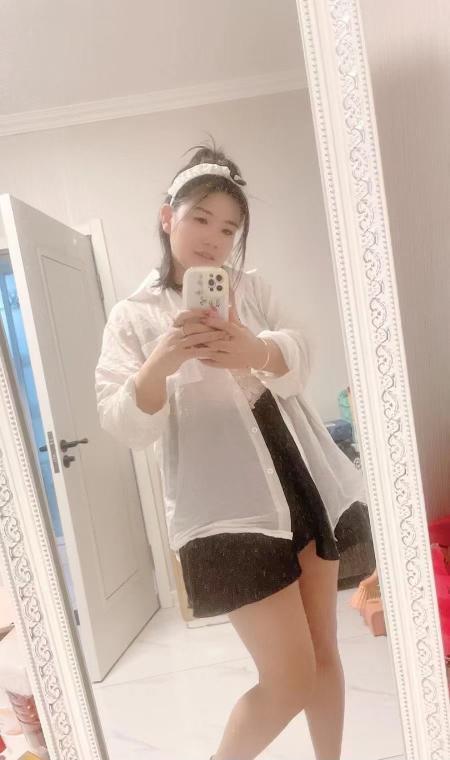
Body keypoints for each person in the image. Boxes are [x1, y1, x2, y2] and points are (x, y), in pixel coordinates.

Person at [95, 141, 367, 760]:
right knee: (289, 677)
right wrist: (160, 363)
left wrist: (257, 350)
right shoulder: (133, 316)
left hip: (298, 470)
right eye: (200, 219)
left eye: (228, 228)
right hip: (223, 504)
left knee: (324, 653)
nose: (214, 239)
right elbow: (123, 422)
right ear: (168, 216)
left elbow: (302, 351)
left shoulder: (254, 289)